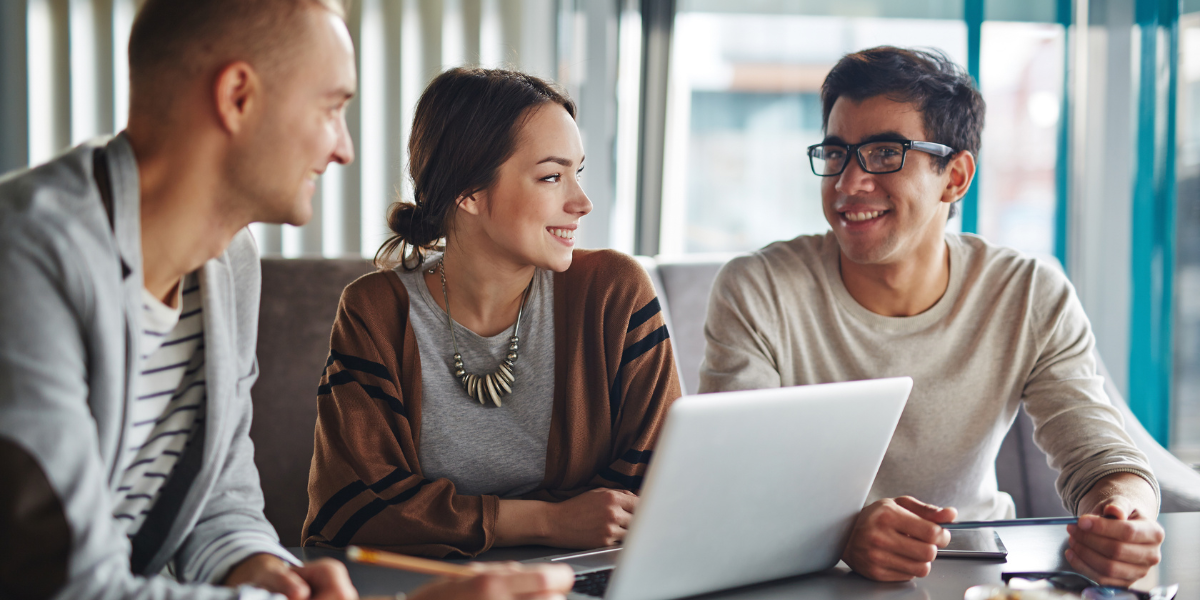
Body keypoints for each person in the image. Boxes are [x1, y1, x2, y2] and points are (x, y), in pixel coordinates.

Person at [0, 1, 572, 599]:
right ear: (238, 97)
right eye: (331, 108)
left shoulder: (227, 261)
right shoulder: (28, 259)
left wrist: (263, 572)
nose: (343, 148)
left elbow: (218, 498)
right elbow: (62, 585)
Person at [699, 46, 1164, 587]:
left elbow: (1101, 456)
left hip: (984, 576)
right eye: (836, 153)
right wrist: (839, 534)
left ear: (956, 177)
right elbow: (730, 485)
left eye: (883, 153)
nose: (849, 184)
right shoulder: (758, 290)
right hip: (808, 578)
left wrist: (1122, 517)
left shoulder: (1027, 293)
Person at [302, 67, 681, 558]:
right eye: (551, 176)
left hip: (585, 578)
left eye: (577, 172)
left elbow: (659, 485)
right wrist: (551, 520)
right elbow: (351, 508)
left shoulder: (613, 293)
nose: (581, 202)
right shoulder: (375, 312)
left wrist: (436, 516)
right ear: (469, 192)